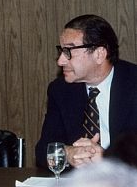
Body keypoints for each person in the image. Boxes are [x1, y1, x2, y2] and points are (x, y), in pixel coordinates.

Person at [35, 14, 137, 168]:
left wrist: (109, 160)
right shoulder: (61, 90)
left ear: (99, 54)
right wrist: (68, 153)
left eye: (68, 51)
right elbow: (44, 151)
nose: (60, 60)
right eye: (61, 51)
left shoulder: (133, 83)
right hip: (79, 186)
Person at [31, 159, 137, 187]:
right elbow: (42, 150)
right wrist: (67, 151)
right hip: (72, 184)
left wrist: (106, 156)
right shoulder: (64, 110)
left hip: (123, 181)